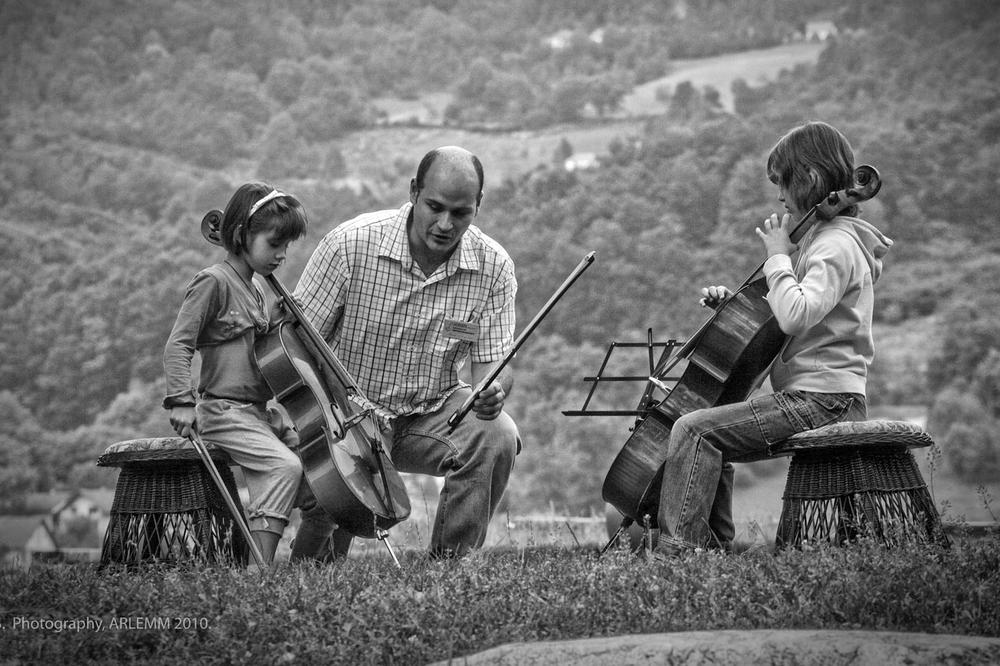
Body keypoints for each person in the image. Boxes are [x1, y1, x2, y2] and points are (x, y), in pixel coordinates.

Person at [653, 121, 892, 557]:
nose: (780, 197)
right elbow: (787, 313)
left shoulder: (834, 246)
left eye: (783, 184)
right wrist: (736, 309)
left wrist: (777, 256)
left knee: (693, 431)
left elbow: (797, 315)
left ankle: (678, 560)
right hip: (817, 397)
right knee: (710, 425)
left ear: (810, 180)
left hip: (822, 401)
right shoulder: (823, 243)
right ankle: (713, 551)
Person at [291, 145, 521, 560]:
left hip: (428, 415)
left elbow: (494, 368)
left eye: (461, 212)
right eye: (435, 206)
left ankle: (450, 568)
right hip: (347, 416)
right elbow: (297, 344)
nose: (445, 224)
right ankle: (309, 569)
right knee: (322, 554)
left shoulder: (494, 268)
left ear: (478, 206)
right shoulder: (350, 245)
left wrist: (493, 390)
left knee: (497, 432)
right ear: (414, 191)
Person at [163, 183, 308, 565]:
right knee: (284, 466)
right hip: (223, 412)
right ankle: (256, 577)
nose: (282, 254)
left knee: (315, 463)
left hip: (258, 413)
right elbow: (179, 345)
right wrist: (181, 400)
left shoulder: (258, 290)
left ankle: (304, 558)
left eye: (286, 245)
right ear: (242, 235)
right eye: (275, 243)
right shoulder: (214, 281)